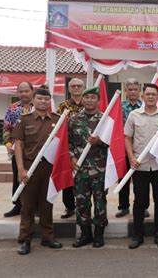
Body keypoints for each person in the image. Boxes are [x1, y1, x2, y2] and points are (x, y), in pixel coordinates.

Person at [12, 87, 62, 255]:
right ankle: (25, 240)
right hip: (29, 167)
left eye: (46, 99)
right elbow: (18, 145)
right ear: (33, 100)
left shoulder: (57, 120)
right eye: (40, 99)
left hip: (49, 168)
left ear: (50, 102)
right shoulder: (24, 120)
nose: (43, 102)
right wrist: (20, 169)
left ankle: (48, 237)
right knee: (27, 205)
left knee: (47, 203)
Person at [125, 83, 158, 249]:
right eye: (148, 94)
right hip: (140, 166)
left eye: (153, 94)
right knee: (140, 202)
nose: (150, 96)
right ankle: (138, 235)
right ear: (143, 97)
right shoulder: (134, 115)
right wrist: (131, 158)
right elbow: (127, 138)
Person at [69, 87, 109, 248]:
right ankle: (85, 234)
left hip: (100, 169)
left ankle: (99, 235)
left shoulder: (105, 120)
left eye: (93, 97)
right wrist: (72, 156)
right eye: (87, 97)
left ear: (98, 100)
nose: (89, 100)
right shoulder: (73, 119)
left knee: (100, 202)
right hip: (80, 169)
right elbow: (68, 141)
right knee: (81, 202)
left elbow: (114, 142)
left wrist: (99, 141)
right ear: (82, 100)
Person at [116, 78, 146, 218]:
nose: (133, 92)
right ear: (126, 91)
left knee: (141, 180)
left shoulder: (146, 107)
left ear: (139, 91)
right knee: (123, 177)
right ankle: (123, 206)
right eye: (130, 89)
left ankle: (143, 206)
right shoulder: (119, 107)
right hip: (123, 148)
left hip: (141, 148)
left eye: (135, 89)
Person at [3, 82, 34, 218]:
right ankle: (17, 205)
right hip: (17, 150)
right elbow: (6, 128)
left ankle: (35, 206)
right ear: (17, 92)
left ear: (32, 92)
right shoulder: (12, 108)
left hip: (35, 150)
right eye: (21, 91)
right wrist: (8, 144)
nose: (23, 94)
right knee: (18, 176)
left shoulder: (39, 106)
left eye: (26, 91)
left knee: (35, 178)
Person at [57, 78, 85, 219]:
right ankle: (69, 207)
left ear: (83, 88)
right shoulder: (63, 106)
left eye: (79, 85)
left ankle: (83, 207)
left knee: (84, 180)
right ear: (69, 89)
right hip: (68, 146)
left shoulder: (89, 104)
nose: (76, 88)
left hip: (86, 148)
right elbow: (58, 127)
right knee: (67, 178)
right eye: (73, 86)